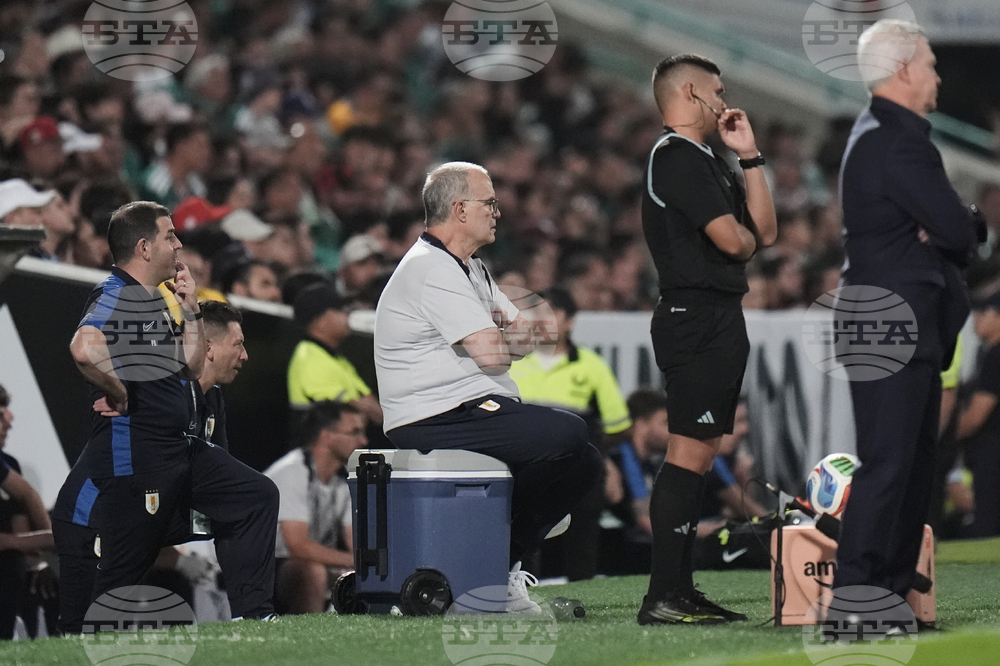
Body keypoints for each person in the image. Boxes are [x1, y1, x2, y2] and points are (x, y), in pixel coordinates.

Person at [373, 162, 604, 612]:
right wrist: (501, 337)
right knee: (568, 434)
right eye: (490, 203)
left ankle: (496, 566)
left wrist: (501, 337)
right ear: (459, 209)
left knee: (587, 463)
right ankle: (494, 551)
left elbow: (527, 337)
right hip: (435, 415)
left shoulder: (470, 268)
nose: (498, 212)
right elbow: (499, 354)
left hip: (470, 408)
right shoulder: (430, 268)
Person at [62, 201, 278, 627]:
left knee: (254, 496)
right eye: (170, 236)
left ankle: (253, 619)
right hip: (138, 459)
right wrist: (119, 391)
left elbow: (194, 365)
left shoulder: (156, 303)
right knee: (116, 583)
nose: (178, 244)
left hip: (179, 450)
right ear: (144, 247)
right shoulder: (117, 293)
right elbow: (84, 350)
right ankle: (78, 639)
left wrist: (192, 308)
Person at [832, 20, 980, 607]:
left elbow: (950, 224)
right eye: (932, 64)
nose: (938, 76)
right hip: (889, 321)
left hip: (900, 321)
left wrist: (952, 221)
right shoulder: (893, 139)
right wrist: (954, 222)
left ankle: (886, 594)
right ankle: (857, 596)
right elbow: (957, 231)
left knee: (913, 469)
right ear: (903, 70)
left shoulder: (888, 136)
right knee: (891, 466)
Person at [638, 54, 777, 625]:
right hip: (692, 315)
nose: (725, 100)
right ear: (692, 92)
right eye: (718, 90)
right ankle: (664, 595)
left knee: (702, 452)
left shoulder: (709, 159)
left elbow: (763, 232)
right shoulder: (675, 159)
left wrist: (749, 155)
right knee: (689, 451)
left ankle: (678, 588)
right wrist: (741, 237)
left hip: (716, 315)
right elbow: (734, 242)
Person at [510, 287, 632, 580]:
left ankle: (583, 592)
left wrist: (606, 462)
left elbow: (617, 425)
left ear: (570, 321)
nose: (540, 320)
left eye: (550, 313)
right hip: (525, 465)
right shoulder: (511, 362)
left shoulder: (592, 366)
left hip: (579, 463)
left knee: (582, 535)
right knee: (523, 532)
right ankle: (522, 586)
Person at [264, 401, 366, 614]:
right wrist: (358, 561)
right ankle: (311, 642)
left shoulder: (342, 482)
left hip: (299, 564)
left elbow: (355, 543)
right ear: (326, 435)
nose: (363, 441)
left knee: (358, 575)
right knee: (313, 572)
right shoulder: (292, 471)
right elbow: (297, 545)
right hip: (263, 568)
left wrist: (363, 563)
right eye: (355, 432)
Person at [0, 385, 55, 641]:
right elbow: (27, 494)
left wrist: (39, 558)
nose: (8, 425)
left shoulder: (9, 465)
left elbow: (21, 510)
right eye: (1, 417)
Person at [287, 282, 382, 426]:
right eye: (339, 309)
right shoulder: (308, 357)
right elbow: (350, 413)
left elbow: (371, 404)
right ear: (320, 321)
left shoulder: (334, 357)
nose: (347, 313)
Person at [954, 291, 1000, 537]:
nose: (976, 320)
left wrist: (944, 437)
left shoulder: (996, 355)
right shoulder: (986, 353)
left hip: (992, 450)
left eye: (984, 314)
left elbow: (976, 416)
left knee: (987, 523)